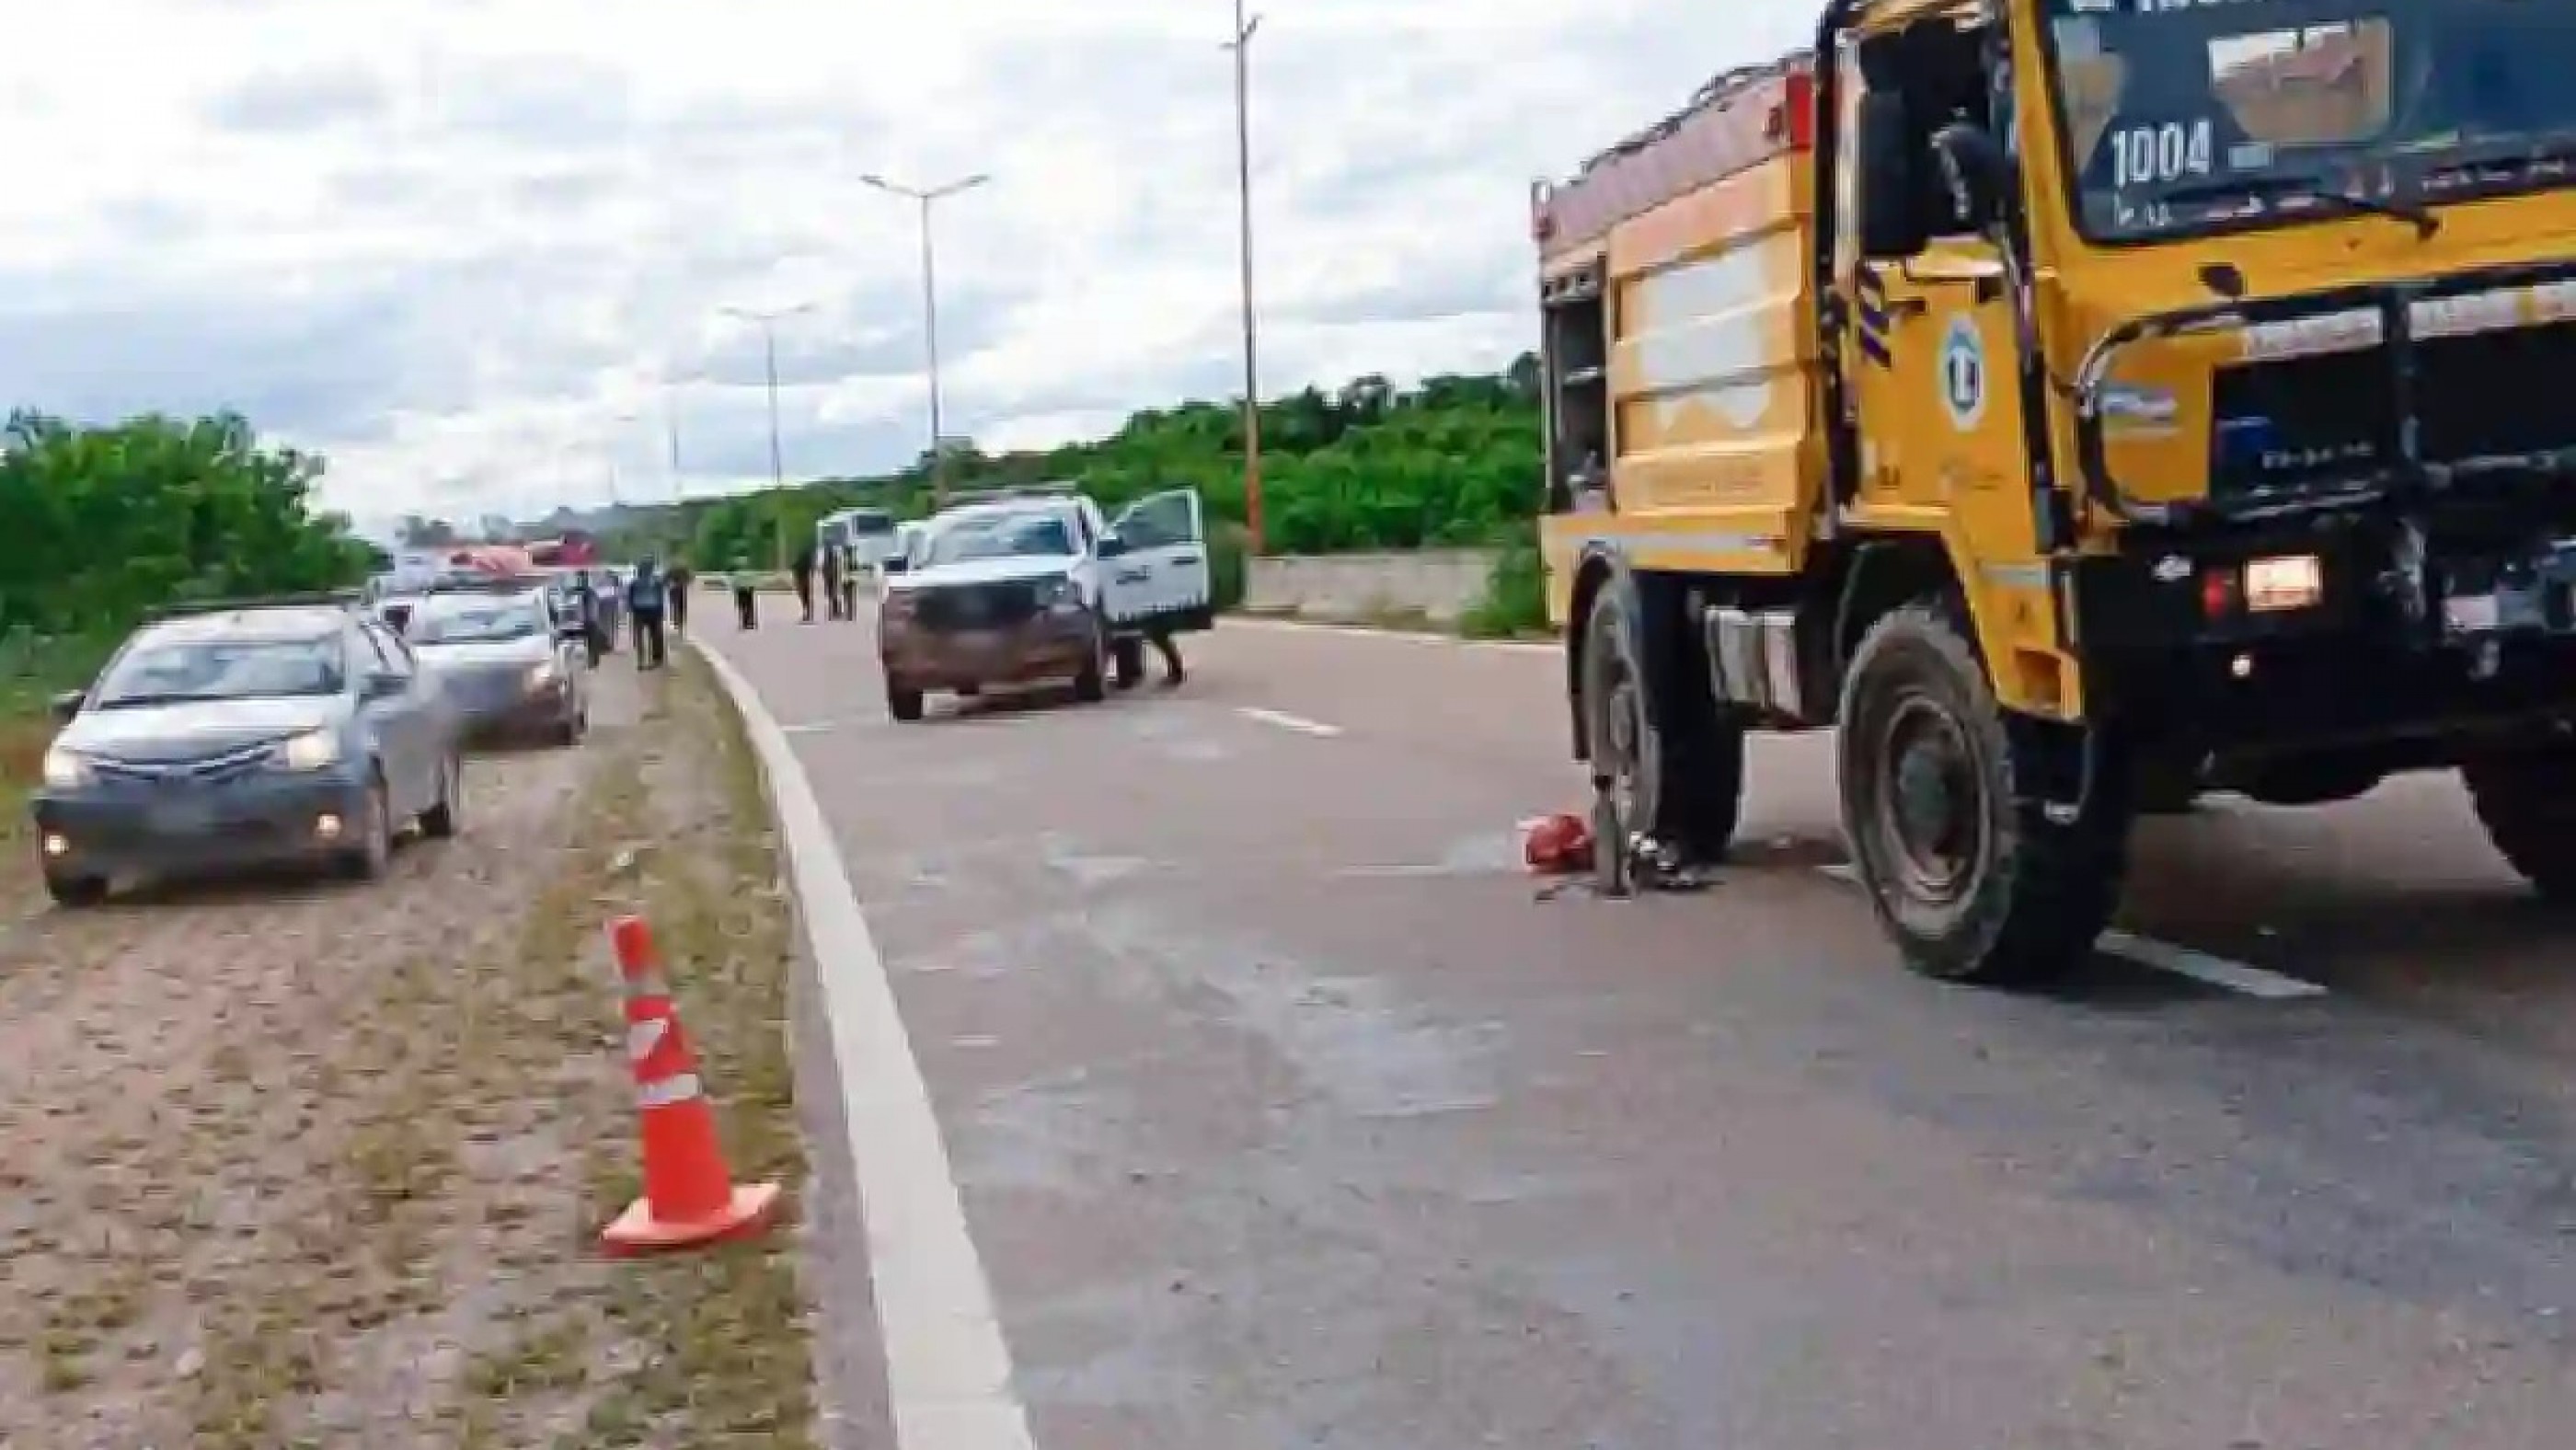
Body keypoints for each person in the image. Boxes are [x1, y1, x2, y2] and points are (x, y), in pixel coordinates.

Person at [627, 558, 668, 669]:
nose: (647, 569)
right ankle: (644, 660)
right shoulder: (635, 583)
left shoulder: (656, 582)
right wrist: (630, 609)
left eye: (649, 567)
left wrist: (662, 611)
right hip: (642, 611)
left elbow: (661, 598)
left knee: (654, 636)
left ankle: (653, 659)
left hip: (650, 611)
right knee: (644, 637)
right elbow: (630, 598)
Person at [665, 559, 694, 636]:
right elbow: (690, 578)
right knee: (678, 605)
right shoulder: (679, 570)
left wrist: (684, 583)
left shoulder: (674, 570)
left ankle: (678, 622)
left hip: (678, 588)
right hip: (677, 588)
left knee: (678, 605)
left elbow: (690, 578)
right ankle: (678, 621)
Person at [730, 554, 758, 629]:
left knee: (742, 606)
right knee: (749, 606)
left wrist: (734, 589)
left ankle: (744, 621)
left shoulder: (737, 573)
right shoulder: (750, 572)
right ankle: (749, 621)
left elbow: (734, 582)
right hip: (748, 589)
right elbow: (754, 580)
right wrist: (753, 587)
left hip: (741, 590)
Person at [790, 545, 817, 623]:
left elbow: (810, 565)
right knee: (805, 596)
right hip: (802, 575)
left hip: (803, 575)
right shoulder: (806, 554)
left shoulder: (806, 554)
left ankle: (808, 613)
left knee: (805, 595)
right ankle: (808, 613)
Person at [820, 543, 845, 621]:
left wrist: (825, 577)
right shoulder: (835, 559)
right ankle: (836, 612)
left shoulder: (828, 559)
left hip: (831, 578)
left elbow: (824, 570)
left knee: (833, 595)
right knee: (835, 594)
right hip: (833, 578)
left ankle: (834, 612)